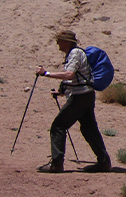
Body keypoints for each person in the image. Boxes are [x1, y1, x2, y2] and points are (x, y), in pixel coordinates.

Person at [34, 29, 111, 173]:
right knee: (89, 129)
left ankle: (56, 164)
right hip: (86, 95)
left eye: (59, 41)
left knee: (58, 126)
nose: (57, 45)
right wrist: (62, 91)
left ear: (65, 42)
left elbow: (69, 75)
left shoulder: (75, 53)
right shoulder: (74, 54)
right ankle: (104, 162)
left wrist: (46, 74)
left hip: (80, 97)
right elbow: (77, 78)